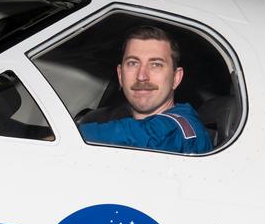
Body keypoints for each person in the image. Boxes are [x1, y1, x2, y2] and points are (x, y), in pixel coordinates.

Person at [78, 26, 212, 153]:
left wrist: (65, 133)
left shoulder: (181, 128)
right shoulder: (109, 117)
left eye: (156, 64)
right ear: (120, 75)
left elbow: (149, 136)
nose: (142, 76)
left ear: (176, 78)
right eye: (133, 63)